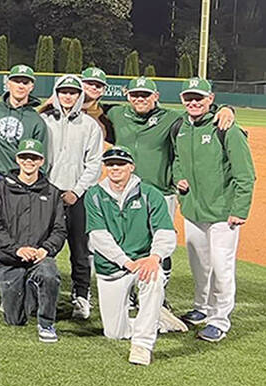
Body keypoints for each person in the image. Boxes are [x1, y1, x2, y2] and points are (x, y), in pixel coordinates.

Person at [106, 75, 235, 333]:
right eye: (135, 95)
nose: (140, 99)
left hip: (161, 194)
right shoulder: (116, 114)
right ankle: (133, 295)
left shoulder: (171, 118)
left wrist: (227, 108)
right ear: (126, 96)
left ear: (156, 96)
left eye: (145, 95)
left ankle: (159, 299)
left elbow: (199, 110)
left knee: (160, 248)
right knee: (127, 244)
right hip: (124, 192)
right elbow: (88, 104)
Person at [172, 77, 256, 342]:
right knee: (199, 265)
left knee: (221, 267)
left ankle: (220, 319)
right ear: (182, 100)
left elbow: (246, 175)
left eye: (199, 98)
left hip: (223, 213)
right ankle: (202, 308)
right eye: (189, 98)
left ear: (210, 99)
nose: (194, 102)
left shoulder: (227, 129)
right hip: (194, 209)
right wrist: (178, 178)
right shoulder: (181, 127)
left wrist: (240, 209)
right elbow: (177, 160)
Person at [85, 146, 176, 366]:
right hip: (112, 268)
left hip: (144, 262)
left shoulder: (149, 193)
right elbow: (99, 237)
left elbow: (166, 232)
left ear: (131, 167)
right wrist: (126, 262)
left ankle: (142, 346)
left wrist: (154, 257)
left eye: (120, 164)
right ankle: (157, 319)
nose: (115, 168)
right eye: (110, 165)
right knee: (114, 333)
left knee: (154, 276)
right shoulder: (94, 195)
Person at [0, 65, 50, 312]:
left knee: (16, 239)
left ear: (31, 86)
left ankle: (15, 292)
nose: (20, 85)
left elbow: (40, 158)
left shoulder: (36, 120)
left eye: (25, 82)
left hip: (19, 186)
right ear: (8, 83)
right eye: (16, 81)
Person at [0, 138, 67, 342]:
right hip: (10, 259)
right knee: (15, 319)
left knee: (49, 274)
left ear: (41, 161)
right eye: (24, 157)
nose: (28, 161)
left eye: (34, 158)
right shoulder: (1, 189)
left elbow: (59, 230)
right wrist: (17, 250)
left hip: (39, 258)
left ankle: (46, 324)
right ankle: (26, 293)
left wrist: (45, 250)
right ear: (17, 159)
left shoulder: (53, 192)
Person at [39, 74, 104, 319]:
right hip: (47, 194)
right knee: (45, 246)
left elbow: (94, 163)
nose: (68, 96)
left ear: (79, 96)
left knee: (80, 249)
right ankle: (44, 294)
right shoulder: (43, 120)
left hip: (77, 196)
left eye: (73, 92)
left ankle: (81, 296)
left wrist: (76, 191)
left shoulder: (89, 125)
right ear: (56, 93)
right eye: (63, 91)